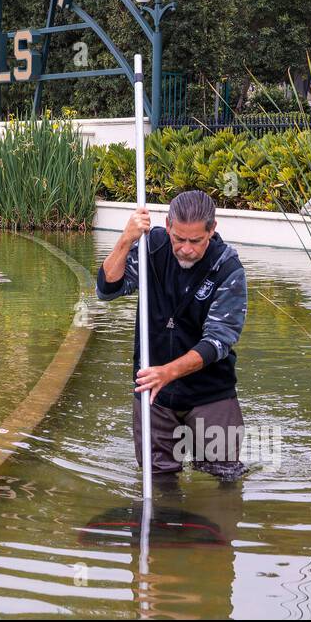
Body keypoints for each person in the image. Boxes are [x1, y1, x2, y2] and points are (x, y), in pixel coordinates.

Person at [95, 190, 250, 481]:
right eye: (179, 239)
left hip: (210, 394)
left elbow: (218, 341)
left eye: (196, 241)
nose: (186, 249)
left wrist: (169, 372)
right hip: (154, 393)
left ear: (211, 230)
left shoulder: (227, 269)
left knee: (225, 477)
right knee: (158, 480)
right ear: (167, 226)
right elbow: (107, 289)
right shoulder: (151, 248)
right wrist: (126, 238)